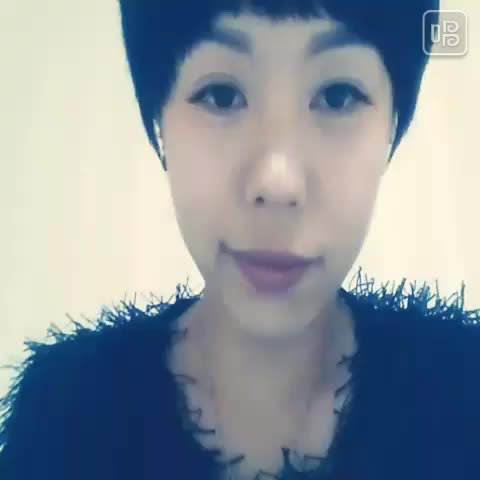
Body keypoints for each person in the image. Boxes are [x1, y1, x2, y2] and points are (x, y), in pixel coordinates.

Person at [1, 1, 479, 479]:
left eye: (337, 96)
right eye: (222, 95)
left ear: (392, 129)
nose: (277, 181)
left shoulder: (464, 393)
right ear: (159, 123)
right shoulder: (67, 417)